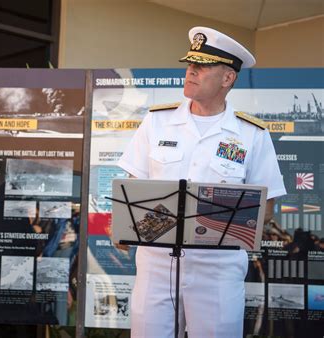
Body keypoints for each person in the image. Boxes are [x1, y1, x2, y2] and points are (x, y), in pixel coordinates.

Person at [117, 27, 286, 338]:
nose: (191, 70)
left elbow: (268, 205)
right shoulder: (156, 121)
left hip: (218, 268)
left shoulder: (251, 134)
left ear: (227, 79)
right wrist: (125, 228)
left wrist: (227, 226)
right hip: (156, 264)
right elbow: (132, 186)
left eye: (203, 65)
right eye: (190, 64)